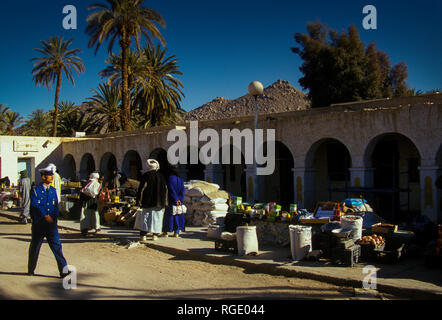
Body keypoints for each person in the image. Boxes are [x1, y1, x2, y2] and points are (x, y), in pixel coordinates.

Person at [28, 165, 69, 278]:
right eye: (49, 176)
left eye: (52, 175)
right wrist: (45, 216)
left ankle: (63, 271)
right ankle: (31, 269)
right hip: (39, 224)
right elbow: (35, 205)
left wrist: (55, 218)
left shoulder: (53, 190)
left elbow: (55, 206)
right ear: (43, 177)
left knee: (57, 247)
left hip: (51, 225)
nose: (51, 177)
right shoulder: (36, 190)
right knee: (35, 247)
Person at [134, 159, 167, 242]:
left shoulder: (145, 175)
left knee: (145, 217)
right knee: (157, 218)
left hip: (147, 201)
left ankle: (143, 235)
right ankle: (155, 235)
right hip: (159, 202)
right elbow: (165, 189)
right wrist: (165, 201)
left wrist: (138, 200)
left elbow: (141, 188)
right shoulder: (161, 176)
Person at [165, 165, 186, 238]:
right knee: (178, 215)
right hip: (180, 201)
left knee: (170, 216)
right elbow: (183, 190)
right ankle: (176, 232)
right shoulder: (180, 179)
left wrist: (176, 199)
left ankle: (166, 232)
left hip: (172, 200)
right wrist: (180, 199)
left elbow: (171, 190)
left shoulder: (170, 179)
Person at [79, 172, 102, 237]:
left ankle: (84, 229)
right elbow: (97, 193)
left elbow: (81, 192)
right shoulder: (97, 184)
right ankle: (96, 227)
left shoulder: (85, 183)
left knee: (84, 214)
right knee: (94, 214)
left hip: (85, 201)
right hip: (93, 202)